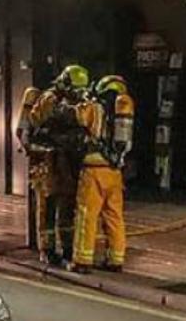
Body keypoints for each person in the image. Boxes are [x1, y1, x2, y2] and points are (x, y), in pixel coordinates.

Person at [24, 64, 91, 266]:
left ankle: (68, 248)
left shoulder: (79, 103)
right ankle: (48, 249)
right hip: (48, 160)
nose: (78, 94)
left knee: (68, 207)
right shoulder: (49, 99)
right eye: (74, 89)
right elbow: (35, 124)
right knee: (47, 206)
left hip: (67, 161)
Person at [69, 74, 134, 273]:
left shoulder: (95, 108)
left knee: (87, 216)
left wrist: (82, 99)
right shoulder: (124, 111)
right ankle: (116, 259)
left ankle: (82, 260)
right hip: (115, 173)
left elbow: (76, 116)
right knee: (114, 216)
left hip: (93, 171)